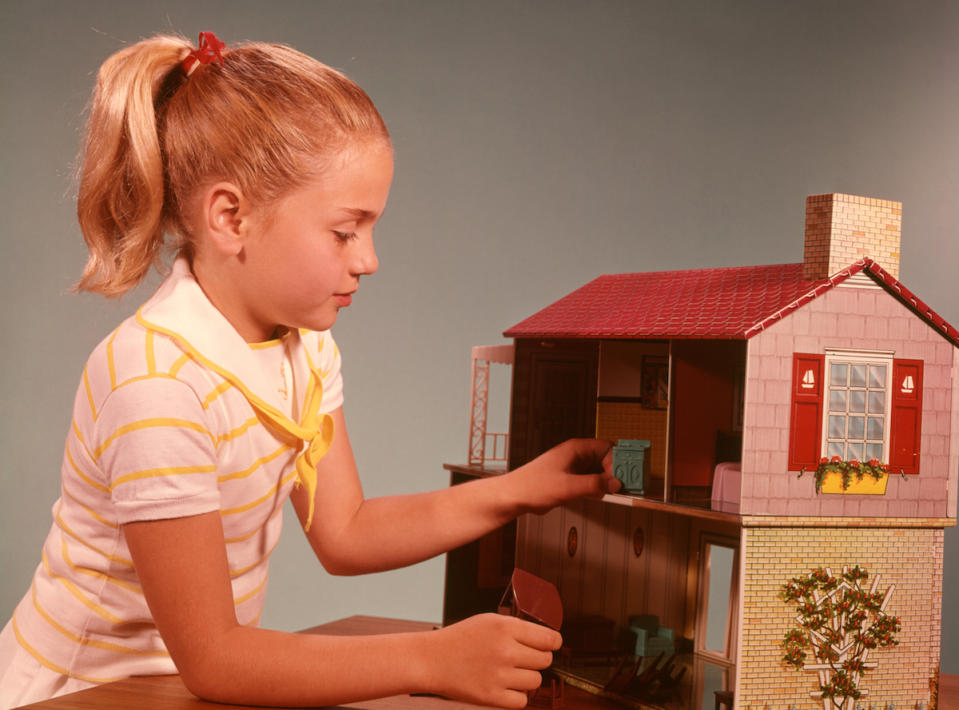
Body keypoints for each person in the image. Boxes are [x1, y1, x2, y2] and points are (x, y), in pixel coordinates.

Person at [0, 32, 619, 709]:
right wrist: (429, 658)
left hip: (177, 692)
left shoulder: (305, 349)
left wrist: (520, 489)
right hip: (78, 694)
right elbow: (214, 658)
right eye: (344, 230)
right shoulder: (155, 382)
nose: (369, 259)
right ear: (231, 216)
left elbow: (345, 531)